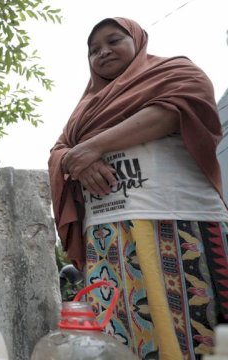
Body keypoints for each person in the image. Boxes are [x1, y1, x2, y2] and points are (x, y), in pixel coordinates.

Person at [48, 17, 228, 359]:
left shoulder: (175, 73)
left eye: (114, 41)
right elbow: (61, 152)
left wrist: (92, 147)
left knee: (192, 331)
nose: (103, 52)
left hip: (178, 224)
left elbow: (180, 107)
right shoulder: (83, 110)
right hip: (108, 239)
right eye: (93, 50)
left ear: (138, 40)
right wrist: (79, 160)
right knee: (118, 336)